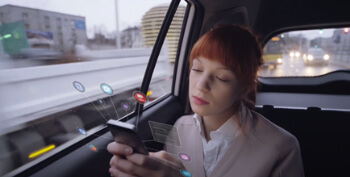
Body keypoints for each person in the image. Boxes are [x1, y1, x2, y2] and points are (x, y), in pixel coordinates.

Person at [107, 24, 305, 177]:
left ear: (244, 87)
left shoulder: (281, 148)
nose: (201, 85)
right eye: (197, 69)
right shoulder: (180, 128)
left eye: (221, 78)